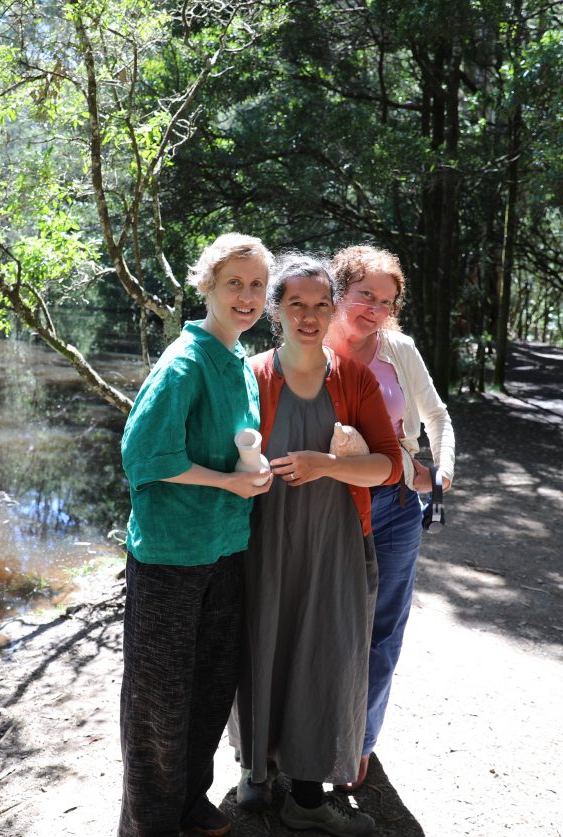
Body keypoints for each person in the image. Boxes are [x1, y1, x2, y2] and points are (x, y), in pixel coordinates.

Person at [232, 253, 402, 837]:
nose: (309, 316)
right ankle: (258, 772)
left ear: (333, 311)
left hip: (334, 545)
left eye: (320, 305)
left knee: (324, 659)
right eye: (296, 305)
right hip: (263, 543)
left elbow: (389, 467)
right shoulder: (250, 375)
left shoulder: (352, 379)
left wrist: (327, 465)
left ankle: (306, 798)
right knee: (261, 648)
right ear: (276, 310)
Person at [118, 232, 275, 837]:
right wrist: (227, 484)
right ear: (206, 284)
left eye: (257, 285)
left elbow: (233, 448)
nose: (247, 295)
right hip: (171, 555)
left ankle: (188, 801)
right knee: (158, 699)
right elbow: (144, 456)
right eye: (234, 282)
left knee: (211, 686)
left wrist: (251, 476)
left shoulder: (237, 362)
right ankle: (150, 822)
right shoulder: (184, 361)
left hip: (226, 549)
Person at [326, 245, 456, 789]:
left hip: (398, 507)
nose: (375, 309)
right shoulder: (307, 341)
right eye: (365, 296)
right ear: (338, 292)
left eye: (386, 300)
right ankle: (308, 740)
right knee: (323, 625)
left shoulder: (398, 349)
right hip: (329, 504)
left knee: (383, 628)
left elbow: (436, 416)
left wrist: (440, 475)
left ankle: (361, 742)